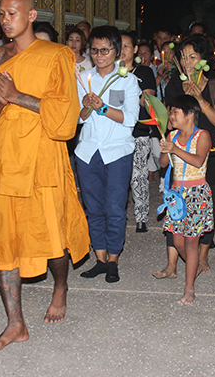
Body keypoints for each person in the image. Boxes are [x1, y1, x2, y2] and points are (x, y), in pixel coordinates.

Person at [0, 0, 90, 354]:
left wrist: (16, 95)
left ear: (31, 15)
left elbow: (65, 116)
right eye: (1, 14)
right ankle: (15, 323)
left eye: (13, 12)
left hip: (43, 158)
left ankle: (60, 286)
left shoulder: (57, 55)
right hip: (5, 160)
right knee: (4, 240)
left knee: (53, 237)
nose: (6, 19)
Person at [157, 35, 215, 277]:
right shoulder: (176, 81)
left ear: (203, 59)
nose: (187, 62)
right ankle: (173, 264)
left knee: (206, 208)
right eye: (183, 57)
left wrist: (199, 98)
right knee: (174, 204)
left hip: (210, 151)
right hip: (180, 150)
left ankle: (202, 256)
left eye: (193, 57)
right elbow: (170, 120)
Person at [76, 26, 141, 283]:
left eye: (105, 50)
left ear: (116, 51)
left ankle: (113, 258)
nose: (99, 55)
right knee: (93, 207)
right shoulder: (82, 78)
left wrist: (102, 107)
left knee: (114, 207)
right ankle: (100, 258)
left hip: (117, 152)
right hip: (88, 151)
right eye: (94, 50)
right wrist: (86, 108)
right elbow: (77, 120)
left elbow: (130, 119)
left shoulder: (127, 81)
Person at [160, 95, 213, 304]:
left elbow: (199, 161)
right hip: (177, 196)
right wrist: (166, 148)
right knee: (177, 241)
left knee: (191, 244)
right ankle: (195, 266)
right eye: (171, 112)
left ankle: (189, 289)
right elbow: (164, 163)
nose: (171, 116)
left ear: (190, 114)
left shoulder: (203, 136)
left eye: (175, 112)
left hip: (196, 195)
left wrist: (175, 149)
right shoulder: (172, 136)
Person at [121, 32, 157, 233]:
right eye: (120, 46)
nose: (123, 50)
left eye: (127, 46)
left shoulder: (144, 72)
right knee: (118, 176)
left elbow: (147, 102)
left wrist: (131, 83)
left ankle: (141, 216)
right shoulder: (111, 72)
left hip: (139, 130)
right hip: (116, 130)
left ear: (134, 49)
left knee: (138, 174)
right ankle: (118, 213)